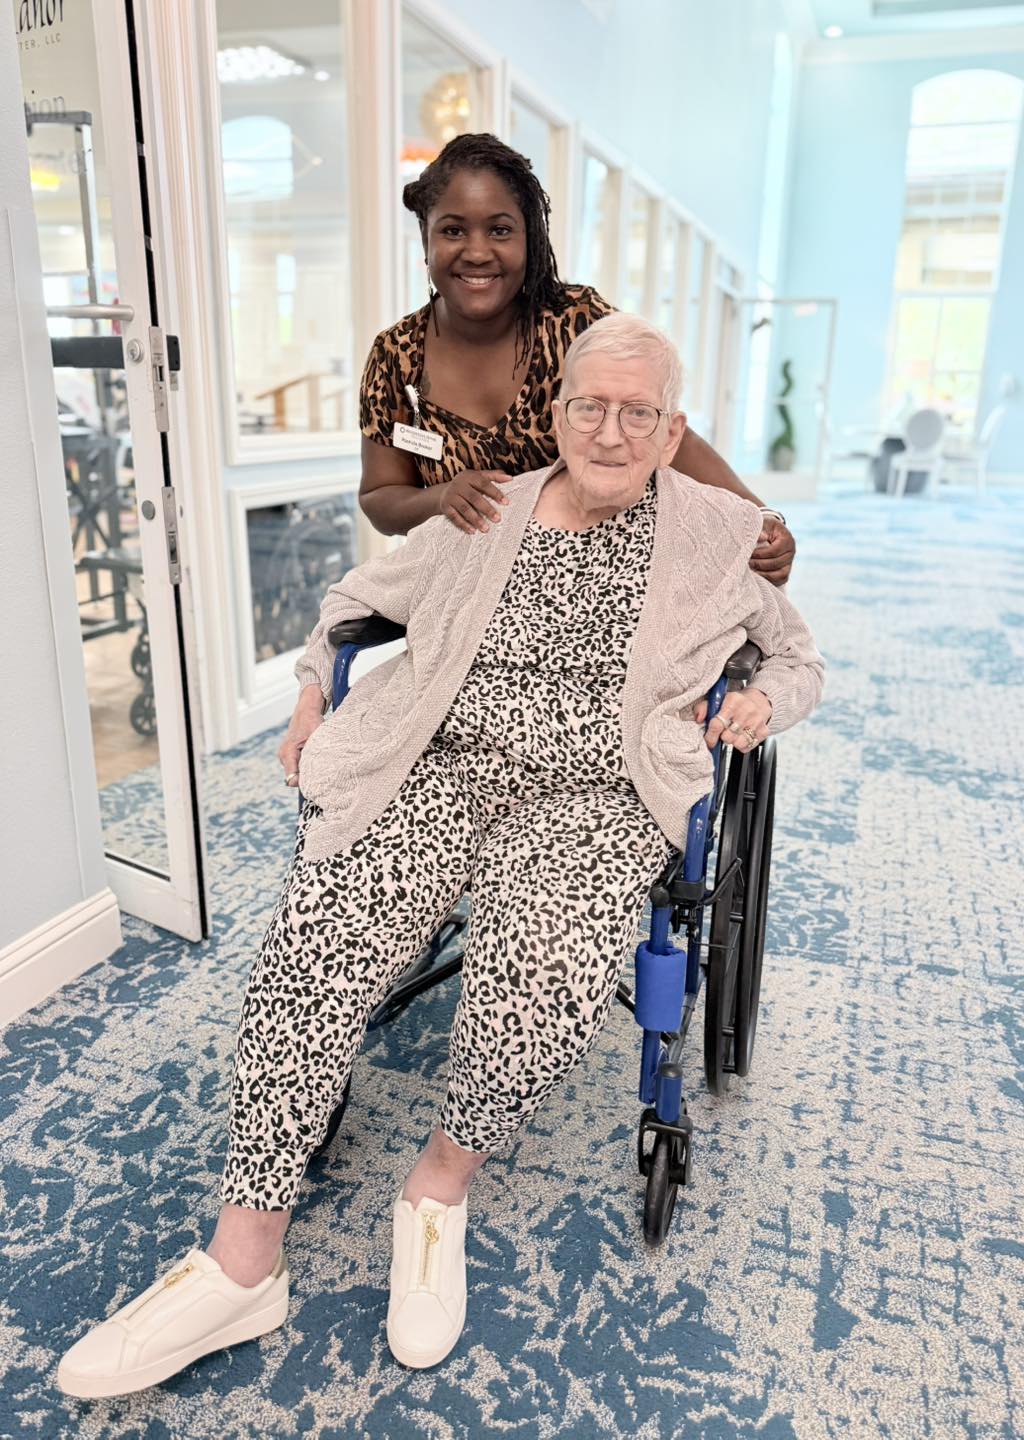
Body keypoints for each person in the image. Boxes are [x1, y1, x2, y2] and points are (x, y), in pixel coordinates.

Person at [57, 315, 823, 1398]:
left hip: (598, 791)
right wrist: (317, 693)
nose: (609, 430)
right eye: (588, 406)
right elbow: (353, 601)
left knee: (545, 962)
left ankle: (437, 1187)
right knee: (318, 937)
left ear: (672, 428)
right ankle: (242, 1260)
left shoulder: (716, 528)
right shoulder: (488, 508)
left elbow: (797, 658)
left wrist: (756, 699)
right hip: (443, 761)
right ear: (554, 416)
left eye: (637, 412)